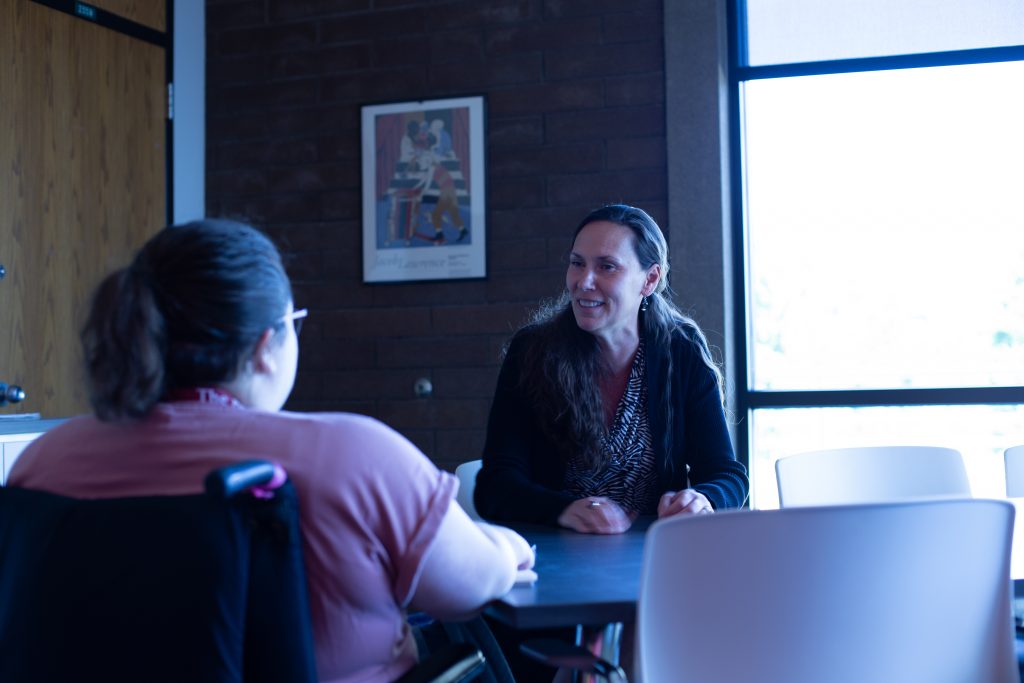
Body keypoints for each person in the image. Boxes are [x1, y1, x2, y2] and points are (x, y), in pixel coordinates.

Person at [9, 219, 535, 683]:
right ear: (266, 345)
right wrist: (505, 545)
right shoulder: (353, 456)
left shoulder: (43, 463)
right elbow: (469, 587)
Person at [475, 204, 748, 534]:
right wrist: (563, 511)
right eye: (577, 264)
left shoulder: (680, 350)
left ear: (649, 279)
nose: (584, 281)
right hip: (553, 554)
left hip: (654, 553)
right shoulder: (533, 351)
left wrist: (704, 499)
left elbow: (727, 475)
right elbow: (496, 485)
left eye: (607, 267)